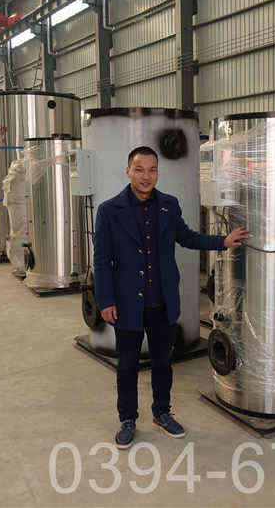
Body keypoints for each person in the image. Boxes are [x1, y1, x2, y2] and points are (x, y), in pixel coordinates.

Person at [93, 145, 248, 449]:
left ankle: (162, 413)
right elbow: (101, 261)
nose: (146, 176)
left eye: (152, 170)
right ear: (128, 171)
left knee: (163, 362)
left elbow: (188, 237)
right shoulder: (109, 211)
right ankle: (127, 419)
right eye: (139, 169)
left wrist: (223, 241)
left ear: (157, 173)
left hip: (161, 301)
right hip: (127, 303)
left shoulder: (168, 205)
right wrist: (105, 300)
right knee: (127, 365)